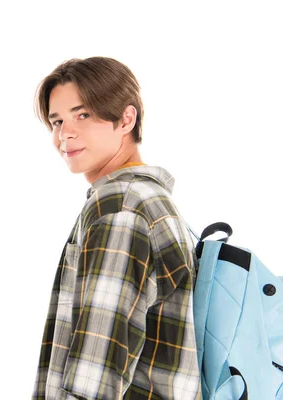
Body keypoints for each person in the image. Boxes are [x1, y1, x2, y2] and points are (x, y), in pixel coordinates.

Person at [31, 57, 200, 399]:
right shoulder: (149, 199)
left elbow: (95, 376)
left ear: (126, 118)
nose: (65, 133)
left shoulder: (121, 207)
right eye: (57, 121)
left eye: (83, 115)